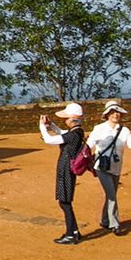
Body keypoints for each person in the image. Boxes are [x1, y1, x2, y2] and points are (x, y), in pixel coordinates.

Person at [87, 100, 131, 236]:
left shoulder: (124, 131)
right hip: (102, 167)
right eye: (112, 112)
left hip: (116, 167)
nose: (115, 115)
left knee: (111, 194)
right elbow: (88, 146)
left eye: (117, 112)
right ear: (107, 114)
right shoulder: (99, 129)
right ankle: (114, 224)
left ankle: (105, 220)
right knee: (111, 195)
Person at [38, 103, 87, 244]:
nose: (65, 120)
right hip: (67, 168)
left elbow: (49, 140)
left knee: (64, 202)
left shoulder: (73, 135)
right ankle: (74, 231)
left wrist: (42, 126)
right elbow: (62, 133)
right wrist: (51, 125)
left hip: (66, 169)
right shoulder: (78, 132)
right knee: (65, 201)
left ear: (72, 119)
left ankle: (71, 234)